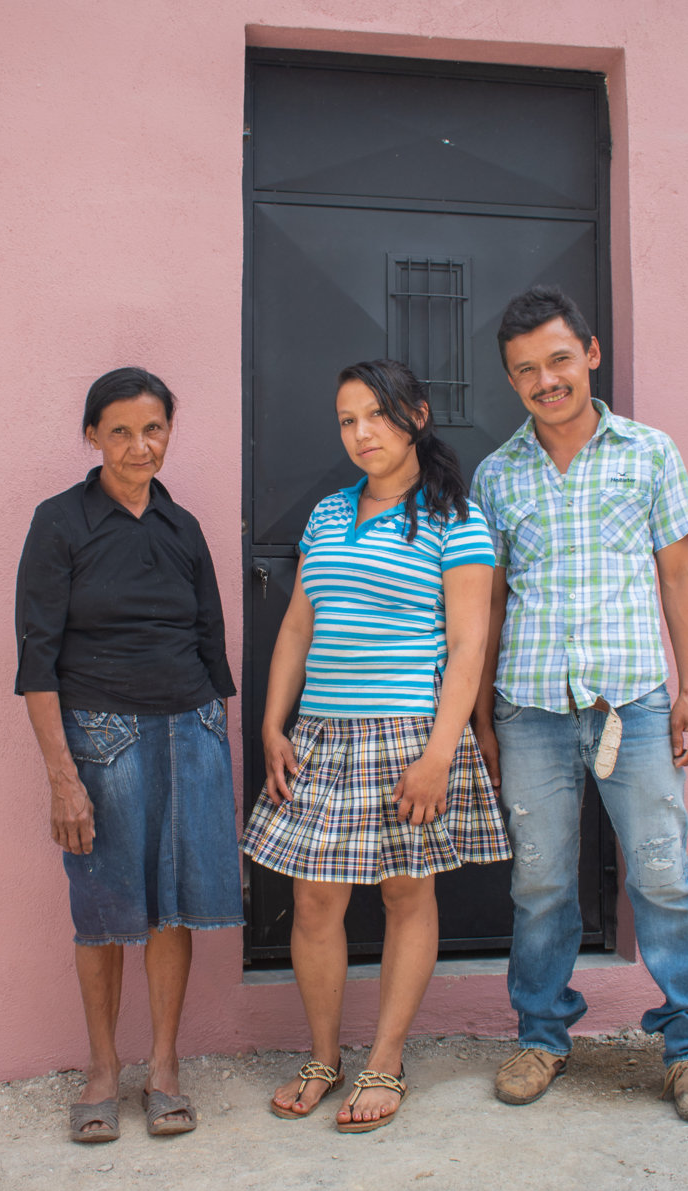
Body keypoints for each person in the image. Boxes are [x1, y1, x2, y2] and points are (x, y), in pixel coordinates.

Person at [470, 286, 688, 1122]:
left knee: (661, 875)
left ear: (589, 353)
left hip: (634, 705)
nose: (545, 381)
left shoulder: (648, 453)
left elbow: (679, 574)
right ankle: (541, 1036)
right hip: (530, 707)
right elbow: (488, 602)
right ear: (510, 380)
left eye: (557, 360)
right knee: (540, 883)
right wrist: (481, 715)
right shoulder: (496, 474)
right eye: (525, 370)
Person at [242, 359, 510, 1133]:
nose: (360, 433)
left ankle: (386, 1060)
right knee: (313, 900)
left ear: (416, 416)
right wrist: (272, 724)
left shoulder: (455, 517)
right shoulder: (328, 513)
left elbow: (468, 645)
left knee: (405, 894)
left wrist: (439, 753)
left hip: (408, 735)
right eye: (346, 420)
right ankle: (323, 1058)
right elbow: (298, 624)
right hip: (321, 734)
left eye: (375, 416)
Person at [14, 366, 243, 1143]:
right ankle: (103, 1070)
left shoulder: (183, 528)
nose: (139, 446)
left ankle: (165, 1068)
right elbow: (36, 659)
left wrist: (214, 745)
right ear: (91, 436)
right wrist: (62, 777)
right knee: (104, 910)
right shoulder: (59, 522)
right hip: (101, 737)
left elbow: (211, 643)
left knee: (173, 906)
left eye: (153, 429)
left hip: (191, 731)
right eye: (120, 431)